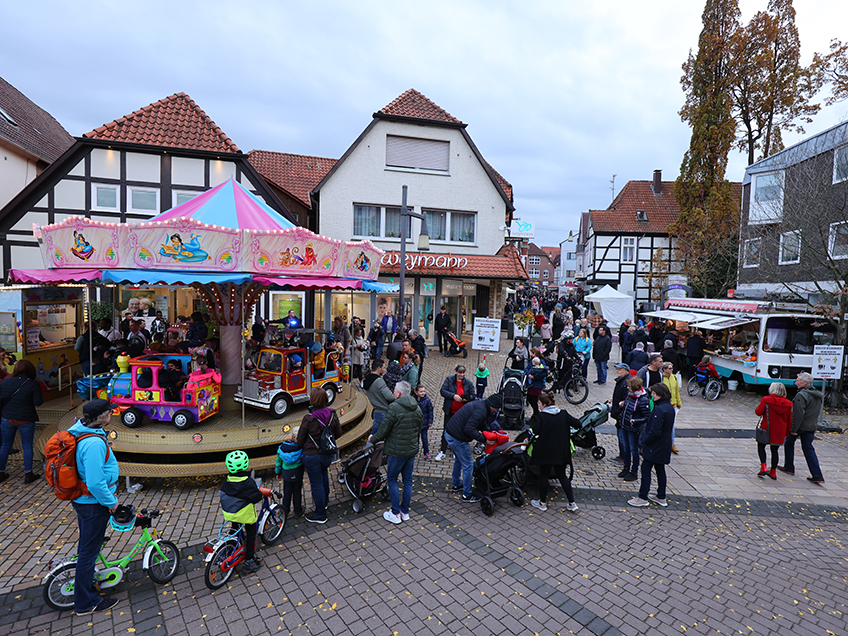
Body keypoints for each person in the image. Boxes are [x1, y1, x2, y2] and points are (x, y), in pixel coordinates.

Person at [68, 399, 121, 614]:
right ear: (102, 417)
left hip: (86, 502)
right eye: (109, 412)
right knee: (88, 553)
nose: (111, 415)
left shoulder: (80, 431)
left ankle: (87, 586)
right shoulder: (93, 444)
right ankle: (86, 602)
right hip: (92, 504)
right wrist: (112, 502)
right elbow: (95, 482)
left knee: (87, 549)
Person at [370, 381, 422, 524]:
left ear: (399, 394)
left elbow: (384, 429)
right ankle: (405, 511)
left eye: (394, 390)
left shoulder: (394, 408)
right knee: (407, 480)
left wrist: (373, 439)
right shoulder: (417, 408)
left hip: (397, 451)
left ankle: (395, 512)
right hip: (411, 451)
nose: (393, 393)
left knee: (392, 479)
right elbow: (419, 429)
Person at [296, 389, 343, 524]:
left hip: (312, 456)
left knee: (316, 484)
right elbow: (338, 433)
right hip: (327, 454)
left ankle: (320, 515)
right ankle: (325, 502)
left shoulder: (309, 418)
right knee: (323, 476)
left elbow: (300, 440)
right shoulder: (333, 414)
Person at [445, 393, 502, 503]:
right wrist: (485, 440)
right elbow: (469, 429)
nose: (496, 411)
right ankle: (467, 494)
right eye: (497, 409)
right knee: (468, 465)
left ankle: (456, 484)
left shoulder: (480, 405)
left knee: (459, 460)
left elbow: (480, 423)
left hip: (450, 433)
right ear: (493, 407)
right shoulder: (481, 411)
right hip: (458, 438)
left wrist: (488, 431)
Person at [528, 391, 579, 512]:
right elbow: (578, 424)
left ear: (544, 404)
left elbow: (535, 431)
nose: (539, 406)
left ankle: (542, 503)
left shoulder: (541, 417)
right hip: (562, 451)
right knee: (562, 475)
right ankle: (572, 503)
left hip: (546, 451)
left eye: (539, 403)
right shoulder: (563, 414)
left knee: (544, 475)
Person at [220, 450, 270, 573]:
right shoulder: (248, 482)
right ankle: (249, 560)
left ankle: (232, 546)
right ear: (245, 464)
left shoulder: (227, 480)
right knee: (251, 532)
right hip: (244, 514)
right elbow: (256, 497)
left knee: (235, 527)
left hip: (229, 512)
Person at [628, 383, 675, 507]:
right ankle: (661, 496)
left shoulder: (660, 409)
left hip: (655, 446)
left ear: (660, 394)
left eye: (654, 393)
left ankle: (643, 497)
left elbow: (655, 431)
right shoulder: (668, 407)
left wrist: (644, 442)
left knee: (646, 469)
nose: (652, 396)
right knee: (660, 470)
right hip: (664, 445)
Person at [0, 359, 45, 483]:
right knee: (27, 446)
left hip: (7, 418)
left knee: (5, 445)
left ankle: (1, 472)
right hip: (26, 420)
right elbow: (38, 402)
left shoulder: (5, 382)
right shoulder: (33, 384)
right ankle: (28, 474)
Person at [779, 373, 825, 483]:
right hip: (811, 425)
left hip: (801, 426)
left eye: (798, 380)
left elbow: (798, 414)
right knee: (808, 448)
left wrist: (794, 429)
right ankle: (817, 474)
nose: (796, 382)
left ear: (805, 383)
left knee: (789, 442)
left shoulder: (801, 395)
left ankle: (789, 467)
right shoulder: (817, 395)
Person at [435, 365, 476, 462]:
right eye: (460, 373)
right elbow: (443, 391)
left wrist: (467, 398)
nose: (462, 375)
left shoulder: (468, 383)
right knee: (446, 430)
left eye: (463, 373)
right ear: (456, 372)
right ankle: (442, 451)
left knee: (459, 432)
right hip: (450, 411)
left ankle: (455, 451)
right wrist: (453, 396)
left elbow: (473, 395)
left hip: (461, 413)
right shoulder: (449, 380)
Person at [755, 383, 793, 480]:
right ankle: (773, 471)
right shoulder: (789, 404)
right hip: (780, 430)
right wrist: (787, 432)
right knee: (775, 450)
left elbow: (758, 412)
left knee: (761, 446)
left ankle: (763, 466)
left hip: (766, 428)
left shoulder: (766, 400)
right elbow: (789, 420)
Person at [619, 376, 650, 482]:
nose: (628, 388)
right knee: (625, 448)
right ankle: (626, 468)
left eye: (629, 386)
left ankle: (634, 471)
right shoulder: (630, 395)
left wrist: (635, 421)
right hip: (625, 425)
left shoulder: (643, 399)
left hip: (633, 428)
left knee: (634, 449)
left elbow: (647, 417)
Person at [275, 428, 304, 518]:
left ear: (291, 436)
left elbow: (278, 462)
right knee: (297, 492)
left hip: (286, 473)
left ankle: (285, 510)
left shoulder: (282, 448)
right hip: (298, 472)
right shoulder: (301, 447)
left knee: (287, 493)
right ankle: (298, 511)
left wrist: (278, 472)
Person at [363, 359, 395, 437]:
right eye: (383, 368)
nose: (384, 370)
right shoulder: (379, 381)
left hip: (376, 411)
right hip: (383, 412)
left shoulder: (368, 380)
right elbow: (390, 397)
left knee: (374, 435)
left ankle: (369, 448)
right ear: (378, 368)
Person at [608, 362, 631, 465]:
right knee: (620, 436)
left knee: (622, 438)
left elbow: (627, 397)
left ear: (626, 371)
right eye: (617, 369)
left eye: (620, 370)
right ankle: (621, 455)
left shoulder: (626, 382)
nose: (617, 371)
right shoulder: (621, 381)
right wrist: (614, 399)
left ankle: (624, 458)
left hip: (622, 414)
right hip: (619, 412)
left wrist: (620, 406)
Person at [661, 362, 682, 454]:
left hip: (672, 405)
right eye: (669, 368)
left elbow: (676, 390)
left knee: (671, 426)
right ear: (664, 369)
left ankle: (672, 443)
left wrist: (678, 402)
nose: (671, 370)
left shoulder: (674, 377)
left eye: (672, 368)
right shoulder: (661, 378)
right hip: (663, 404)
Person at [415, 385, 434, 460]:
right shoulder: (414, 400)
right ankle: (415, 451)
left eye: (424, 391)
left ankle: (426, 452)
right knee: (416, 438)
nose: (423, 393)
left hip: (424, 423)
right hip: (416, 423)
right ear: (416, 393)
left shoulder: (427, 400)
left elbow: (430, 411)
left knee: (424, 438)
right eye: (421, 391)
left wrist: (430, 421)